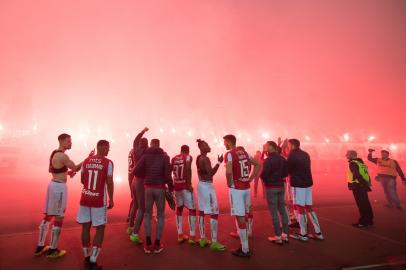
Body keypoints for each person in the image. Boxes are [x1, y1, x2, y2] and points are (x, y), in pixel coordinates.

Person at [34, 133, 87, 258]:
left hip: (52, 185)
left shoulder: (54, 153)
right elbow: (76, 167)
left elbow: (54, 170)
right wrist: (86, 160)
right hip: (59, 188)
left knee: (48, 216)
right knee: (59, 218)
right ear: (62, 141)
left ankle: (40, 247)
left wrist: (67, 173)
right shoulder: (63, 156)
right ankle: (53, 250)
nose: (70, 143)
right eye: (68, 141)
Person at [77, 140, 114, 269]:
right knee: (100, 228)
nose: (109, 150)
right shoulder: (108, 163)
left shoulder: (86, 161)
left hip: (86, 197)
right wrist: (112, 199)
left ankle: (87, 256)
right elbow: (109, 182)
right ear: (102, 148)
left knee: (85, 227)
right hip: (99, 200)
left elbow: (82, 179)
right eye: (108, 148)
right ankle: (93, 261)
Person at [133, 138, 174, 254]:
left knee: (147, 214)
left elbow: (135, 171)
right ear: (159, 145)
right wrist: (171, 187)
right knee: (160, 215)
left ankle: (147, 244)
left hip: (148, 188)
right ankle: (157, 244)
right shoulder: (165, 157)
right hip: (160, 188)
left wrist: (146, 174)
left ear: (151, 145)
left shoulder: (145, 156)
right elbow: (167, 175)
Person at [223, 134, 260, 258]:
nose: (224, 144)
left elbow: (228, 171)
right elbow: (258, 164)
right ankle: (245, 236)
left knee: (240, 217)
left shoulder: (229, 154)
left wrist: (229, 183)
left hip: (237, 189)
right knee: (246, 212)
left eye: (225, 142)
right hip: (246, 187)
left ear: (229, 142)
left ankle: (245, 249)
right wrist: (251, 178)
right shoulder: (243, 152)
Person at [287, 139, 324, 241]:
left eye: (288, 145)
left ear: (292, 145)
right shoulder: (305, 154)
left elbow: (288, 169)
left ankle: (303, 234)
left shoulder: (292, 155)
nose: (288, 147)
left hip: (299, 184)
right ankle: (318, 232)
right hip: (308, 183)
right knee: (309, 207)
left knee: (300, 208)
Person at [196, 139, 226, 251]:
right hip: (207, 186)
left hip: (200, 185)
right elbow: (211, 173)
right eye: (206, 145)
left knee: (202, 211)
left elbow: (203, 172)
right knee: (214, 212)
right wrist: (219, 162)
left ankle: (203, 239)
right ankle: (214, 242)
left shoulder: (198, 158)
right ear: (202, 147)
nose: (209, 146)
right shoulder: (205, 158)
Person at [260, 141, 289, 244]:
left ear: (271, 147)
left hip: (271, 187)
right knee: (283, 211)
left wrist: (266, 179)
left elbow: (264, 174)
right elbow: (286, 173)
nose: (264, 147)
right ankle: (285, 235)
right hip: (280, 186)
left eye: (266, 145)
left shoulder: (268, 160)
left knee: (274, 213)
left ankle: (277, 236)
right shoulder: (282, 159)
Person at [171, 145, 197, 243]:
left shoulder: (173, 159)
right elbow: (188, 170)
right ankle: (192, 236)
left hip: (176, 186)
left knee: (179, 209)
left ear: (180, 150)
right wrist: (189, 184)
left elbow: (171, 171)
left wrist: (172, 185)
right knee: (192, 209)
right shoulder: (188, 157)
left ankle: (180, 235)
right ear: (188, 151)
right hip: (185, 187)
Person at [128, 127, 149, 243]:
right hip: (141, 181)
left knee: (135, 204)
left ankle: (130, 227)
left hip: (134, 181)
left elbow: (135, 140)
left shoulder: (135, 150)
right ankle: (135, 234)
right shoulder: (147, 152)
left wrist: (142, 131)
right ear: (146, 145)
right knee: (142, 207)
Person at [346, 150, 374, 228]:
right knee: (366, 203)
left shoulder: (353, 163)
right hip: (363, 185)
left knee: (361, 204)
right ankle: (369, 220)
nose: (346, 156)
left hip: (358, 185)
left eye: (347, 154)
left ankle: (363, 222)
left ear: (351, 155)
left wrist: (362, 183)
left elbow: (357, 174)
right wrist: (367, 183)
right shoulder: (361, 163)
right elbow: (366, 174)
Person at [127, 148, 135, 224]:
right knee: (136, 199)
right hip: (134, 177)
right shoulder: (136, 151)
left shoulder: (131, 151)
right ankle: (131, 216)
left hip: (130, 175)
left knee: (134, 198)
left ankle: (130, 216)